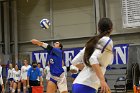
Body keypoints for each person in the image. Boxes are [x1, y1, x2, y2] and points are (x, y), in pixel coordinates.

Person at [71, 18, 113, 93]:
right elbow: (92, 58)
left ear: (98, 29)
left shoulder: (92, 42)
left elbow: (74, 61)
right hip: (86, 86)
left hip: (78, 84)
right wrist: (102, 80)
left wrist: (89, 67)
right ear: (111, 29)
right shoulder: (107, 41)